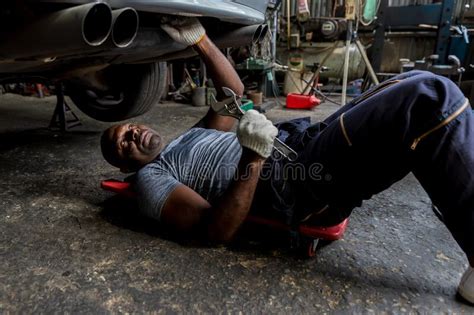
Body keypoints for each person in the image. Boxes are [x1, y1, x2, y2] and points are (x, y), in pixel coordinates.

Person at [100, 18, 474, 303]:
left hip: (299, 147)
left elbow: (233, 94)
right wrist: (252, 155)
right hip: (294, 184)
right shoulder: (152, 177)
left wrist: (200, 40)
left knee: (416, 92)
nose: (133, 134)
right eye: (124, 143)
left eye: (130, 127)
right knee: (430, 98)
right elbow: (215, 231)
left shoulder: (192, 134)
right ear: (123, 166)